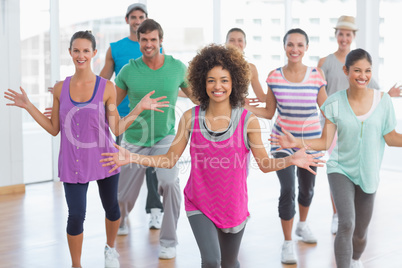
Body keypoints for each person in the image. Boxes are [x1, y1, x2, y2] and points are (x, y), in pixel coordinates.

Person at [100, 43, 325, 268]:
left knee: (229, 264)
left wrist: (292, 159)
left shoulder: (248, 120)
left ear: (234, 83)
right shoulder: (190, 118)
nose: (218, 86)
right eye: (211, 80)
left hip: (233, 206)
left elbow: (264, 164)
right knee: (211, 260)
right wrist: (132, 157)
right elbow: (169, 159)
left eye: (224, 80)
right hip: (199, 202)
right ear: (201, 83)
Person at [4, 30, 168, 268]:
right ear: (70, 52)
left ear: (94, 53)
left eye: (85, 51)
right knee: (76, 215)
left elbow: (117, 126)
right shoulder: (61, 88)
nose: (81, 55)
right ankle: (76, 264)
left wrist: (139, 107)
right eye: (76, 50)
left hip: (104, 157)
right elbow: (53, 128)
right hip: (73, 161)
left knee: (112, 208)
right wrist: (29, 106)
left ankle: (110, 249)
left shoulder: (107, 87)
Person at [271, 48, 402, 268]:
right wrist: (297, 143)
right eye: (357, 70)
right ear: (346, 71)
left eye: (367, 71)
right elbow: (324, 142)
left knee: (360, 233)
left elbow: (390, 137)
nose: (363, 76)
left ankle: (355, 259)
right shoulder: (334, 102)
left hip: (369, 174)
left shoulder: (383, 101)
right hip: (340, 169)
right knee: (346, 224)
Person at [111, 19, 197, 259]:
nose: (148, 44)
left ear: (161, 41)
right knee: (122, 197)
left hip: (165, 137)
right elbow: (109, 103)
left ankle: (169, 241)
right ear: (138, 41)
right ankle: (121, 219)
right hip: (134, 138)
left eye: (153, 40)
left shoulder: (177, 68)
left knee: (170, 183)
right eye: (144, 40)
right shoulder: (129, 70)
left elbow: (199, 99)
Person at [244, 28, 328, 265]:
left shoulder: (316, 75)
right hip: (281, 142)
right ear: (284, 47)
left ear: (306, 48)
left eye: (300, 45)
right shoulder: (274, 76)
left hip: (310, 143)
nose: (295, 49)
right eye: (291, 44)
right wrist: (244, 107)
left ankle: (302, 225)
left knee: (307, 189)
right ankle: (288, 241)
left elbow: (327, 110)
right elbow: (269, 112)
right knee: (287, 189)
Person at [317, 15, 402, 235]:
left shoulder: (360, 62)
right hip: (334, 117)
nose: (344, 38)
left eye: (348, 34)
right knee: (337, 163)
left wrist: (388, 95)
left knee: (355, 162)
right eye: (341, 33)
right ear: (336, 35)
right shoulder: (326, 62)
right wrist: (328, 108)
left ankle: (348, 215)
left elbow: (372, 90)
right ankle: (339, 214)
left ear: (353, 37)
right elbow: (318, 89)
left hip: (356, 117)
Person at [99, 2, 164, 233]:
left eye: (141, 16)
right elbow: (103, 82)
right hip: (124, 118)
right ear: (127, 20)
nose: (137, 20)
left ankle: (155, 211)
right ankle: (121, 215)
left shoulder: (155, 47)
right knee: (124, 166)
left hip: (153, 116)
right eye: (134, 16)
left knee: (153, 168)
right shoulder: (115, 48)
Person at [225, 27, 266, 102]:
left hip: (239, 110)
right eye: (232, 40)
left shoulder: (251, 68)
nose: (236, 44)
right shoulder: (217, 66)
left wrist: (278, 91)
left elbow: (262, 97)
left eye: (240, 40)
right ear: (226, 43)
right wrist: (239, 100)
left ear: (245, 44)